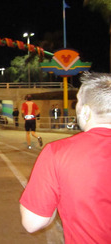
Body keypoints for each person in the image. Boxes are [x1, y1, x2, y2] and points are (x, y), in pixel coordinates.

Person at [20, 72, 111, 243]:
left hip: (28, 119)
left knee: (28, 133)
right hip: (34, 118)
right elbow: (37, 111)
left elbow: (32, 223)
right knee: (32, 131)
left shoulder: (58, 152)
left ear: (85, 111)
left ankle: (30, 141)